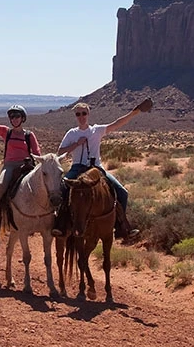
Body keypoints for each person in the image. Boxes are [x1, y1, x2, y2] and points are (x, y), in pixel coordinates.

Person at [53, 99, 153, 241]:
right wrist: (76, 144)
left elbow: (117, 123)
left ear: (88, 114)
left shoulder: (97, 130)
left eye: (84, 113)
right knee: (62, 189)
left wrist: (134, 112)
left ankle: (121, 227)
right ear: (75, 116)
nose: (81, 117)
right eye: (78, 114)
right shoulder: (71, 133)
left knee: (122, 193)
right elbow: (60, 152)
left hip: (96, 169)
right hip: (77, 168)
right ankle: (60, 224)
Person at [0, 104, 41, 234]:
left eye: (17, 116)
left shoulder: (29, 135)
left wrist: (41, 161)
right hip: (10, 166)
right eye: (12, 117)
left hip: (26, 166)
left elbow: (37, 151)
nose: (14, 119)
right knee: (0, 186)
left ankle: (47, 216)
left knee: (42, 184)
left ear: (23, 118)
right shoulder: (6, 132)